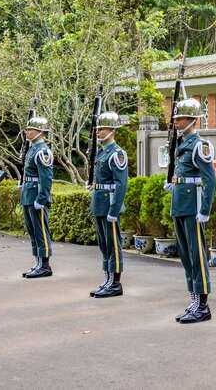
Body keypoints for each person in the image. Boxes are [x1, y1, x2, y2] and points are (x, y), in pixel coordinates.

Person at [164, 97, 216, 323]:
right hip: (180, 205)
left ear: (193, 120)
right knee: (186, 256)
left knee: (197, 255)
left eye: (181, 118)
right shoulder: (181, 144)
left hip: (193, 207)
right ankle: (194, 299)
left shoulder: (198, 146)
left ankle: (203, 305)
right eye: (176, 118)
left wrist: (205, 209)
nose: (176, 121)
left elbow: (210, 181)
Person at [89, 111, 128, 298]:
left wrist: (114, 209)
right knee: (104, 244)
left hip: (109, 204)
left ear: (112, 130)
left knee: (113, 245)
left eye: (102, 128)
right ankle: (108, 279)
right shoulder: (102, 152)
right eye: (98, 129)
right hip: (99, 202)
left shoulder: (117, 154)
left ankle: (115, 283)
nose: (98, 132)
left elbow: (121, 184)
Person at [20, 116, 54, 279]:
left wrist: (42, 199)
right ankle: (38, 262)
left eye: (30, 129)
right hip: (28, 193)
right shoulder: (32, 148)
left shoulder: (42, 151)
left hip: (36, 196)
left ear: (40, 132)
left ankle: (45, 265)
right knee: (32, 231)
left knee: (40, 231)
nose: (27, 132)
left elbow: (46, 178)